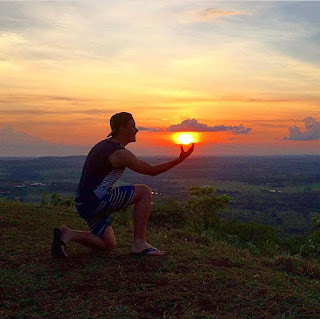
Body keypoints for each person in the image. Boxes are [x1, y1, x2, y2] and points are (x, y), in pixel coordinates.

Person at [52, 112, 194, 257]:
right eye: (133, 126)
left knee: (108, 244)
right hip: (96, 200)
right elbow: (151, 171)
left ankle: (68, 234)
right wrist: (179, 160)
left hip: (84, 203)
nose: (136, 130)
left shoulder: (103, 145)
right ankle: (139, 243)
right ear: (121, 129)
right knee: (144, 192)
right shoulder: (120, 153)